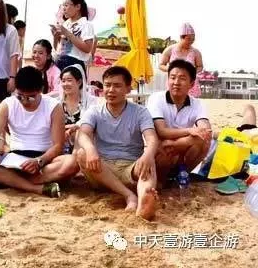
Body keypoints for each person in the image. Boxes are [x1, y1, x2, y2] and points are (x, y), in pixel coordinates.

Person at [0, 66, 78, 197]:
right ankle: (36, 188)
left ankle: (9, 181)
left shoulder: (53, 106)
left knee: (72, 163)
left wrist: (39, 161)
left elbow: (58, 145)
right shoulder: (7, 104)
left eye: (30, 97)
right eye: (20, 96)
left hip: (44, 159)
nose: (24, 101)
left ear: (40, 90)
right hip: (15, 158)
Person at [76, 66, 159, 220]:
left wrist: (148, 154)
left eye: (117, 85)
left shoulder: (140, 112)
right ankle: (129, 196)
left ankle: (145, 199)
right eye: (107, 85)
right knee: (82, 153)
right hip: (101, 170)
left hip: (130, 168)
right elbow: (83, 134)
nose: (110, 90)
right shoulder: (94, 111)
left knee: (149, 161)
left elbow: (152, 138)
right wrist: (90, 148)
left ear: (128, 89)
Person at [147, 59, 212, 183]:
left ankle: (182, 174)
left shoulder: (197, 103)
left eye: (182, 78)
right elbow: (161, 131)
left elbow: (205, 130)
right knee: (165, 147)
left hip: (175, 148)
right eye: (172, 78)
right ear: (168, 80)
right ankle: (161, 180)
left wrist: (176, 143)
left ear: (191, 84)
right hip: (160, 150)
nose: (176, 82)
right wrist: (190, 131)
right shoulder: (156, 99)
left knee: (204, 140)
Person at [58, 65, 99, 151]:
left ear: (79, 82)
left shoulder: (92, 102)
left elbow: (91, 122)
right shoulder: (57, 103)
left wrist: (75, 127)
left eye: (69, 80)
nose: (65, 84)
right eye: (63, 81)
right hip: (60, 144)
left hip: (82, 147)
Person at [50, 0, 95, 72]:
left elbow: (87, 48)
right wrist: (55, 36)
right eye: (62, 5)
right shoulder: (65, 24)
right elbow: (58, 48)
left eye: (66, 5)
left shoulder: (86, 24)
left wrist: (67, 33)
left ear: (78, 6)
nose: (63, 8)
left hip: (75, 65)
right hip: (60, 61)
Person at [159, 22, 203, 97]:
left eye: (193, 39)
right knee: (174, 101)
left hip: (190, 84)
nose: (191, 42)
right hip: (175, 83)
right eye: (188, 39)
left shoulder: (196, 52)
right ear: (181, 38)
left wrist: (191, 72)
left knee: (190, 103)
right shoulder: (170, 50)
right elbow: (161, 65)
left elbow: (200, 66)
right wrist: (172, 69)